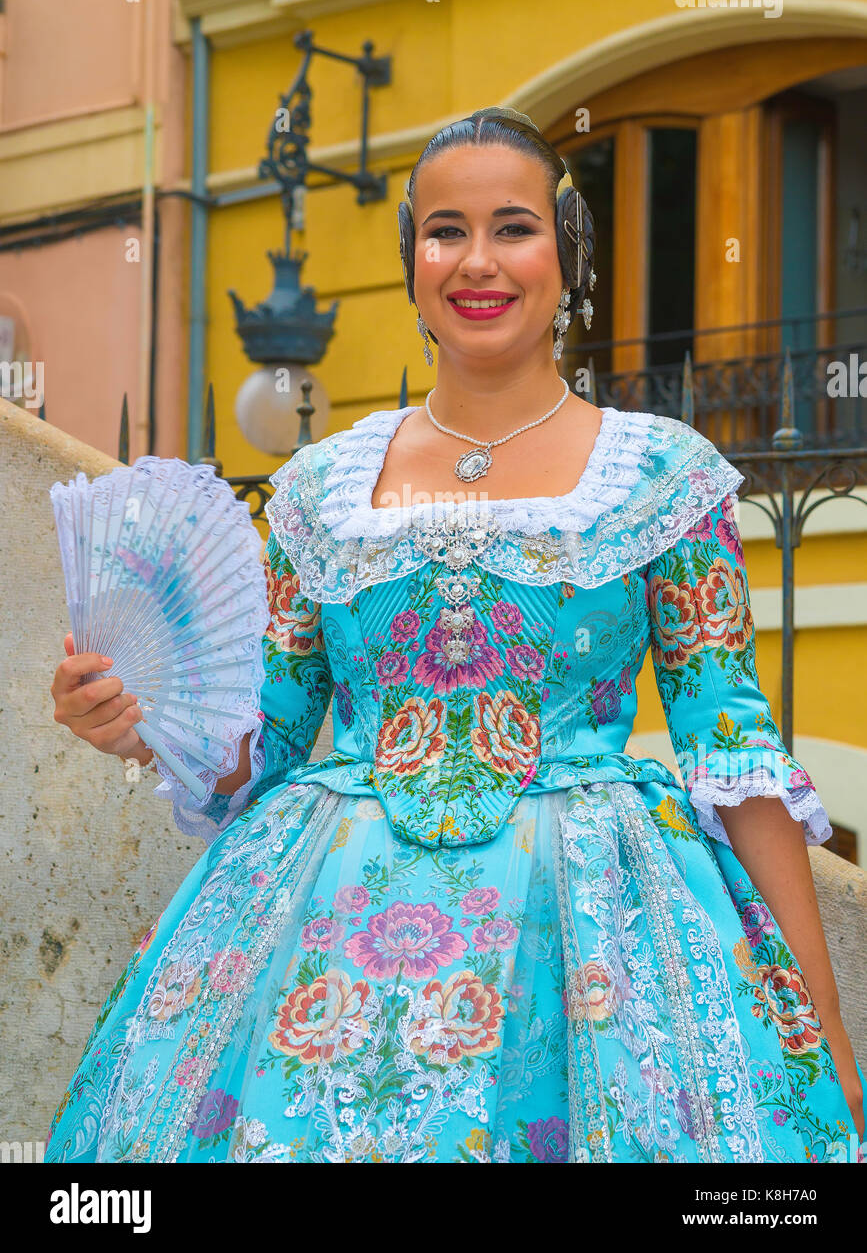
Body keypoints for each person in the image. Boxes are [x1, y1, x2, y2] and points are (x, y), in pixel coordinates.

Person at [45, 106, 865, 1164]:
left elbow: (734, 754)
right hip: (319, 930)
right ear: (411, 262)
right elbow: (271, 742)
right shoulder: (315, 488)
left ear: (567, 257)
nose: (478, 260)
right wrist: (139, 724)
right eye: (445, 231)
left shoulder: (665, 475)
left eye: (513, 227)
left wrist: (824, 1029)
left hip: (591, 946)